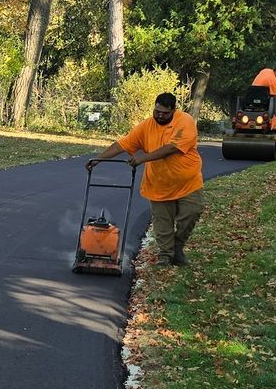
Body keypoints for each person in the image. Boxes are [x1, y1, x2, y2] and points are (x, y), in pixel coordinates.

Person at [86, 90, 204, 266]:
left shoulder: (184, 121)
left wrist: (143, 157)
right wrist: (98, 159)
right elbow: (123, 144)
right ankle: (165, 255)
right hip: (159, 184)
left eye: (165, 113)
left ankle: (177, 247)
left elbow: (172, 148)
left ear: (174, 110)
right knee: (162, 223)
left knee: (192, 213)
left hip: (188, 183)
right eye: (157, 112)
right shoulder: (146, 126)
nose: (160, 116)